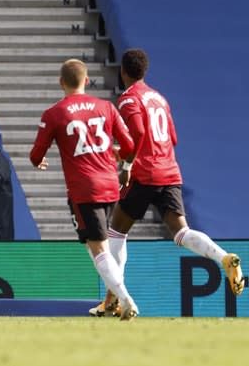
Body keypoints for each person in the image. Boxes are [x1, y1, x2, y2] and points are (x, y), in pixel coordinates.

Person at [90, 48, 245, 317]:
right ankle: (224, 258)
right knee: (181, 231)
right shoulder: (159, 98)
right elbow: (171, 138)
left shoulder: (128, 99)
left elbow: (138, 132)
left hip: (143, 173)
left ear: (123, 71)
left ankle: (113, 298)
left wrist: (126, 164)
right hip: (169, 171)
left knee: (116, 232)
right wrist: (125, 151)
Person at [30, 59, 139, 320]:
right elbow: (129, 145)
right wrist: (120, 157)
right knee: (102, 244)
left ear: (60, 82)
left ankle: (125, 300)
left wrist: (38, 161)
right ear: (87, 80)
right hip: (110, 184)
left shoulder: (54, 113)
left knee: (97, 248)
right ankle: (116, 300)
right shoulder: (106, 107)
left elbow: (36, 155)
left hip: (83, 189)